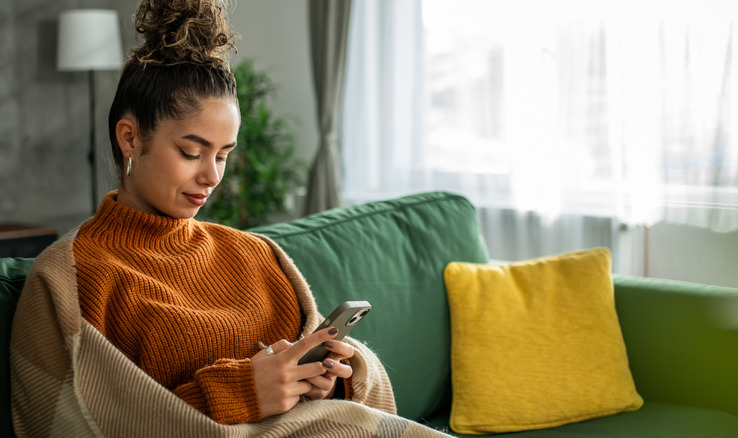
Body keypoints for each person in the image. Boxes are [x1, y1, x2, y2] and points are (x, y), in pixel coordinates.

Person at [10, 1, 447, 436]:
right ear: (130, 137)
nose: (211, 175)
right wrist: (240, 392)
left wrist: (332, 380)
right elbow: (75, 425)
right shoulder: (69, 279)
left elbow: (349, 381)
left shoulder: (257, 255)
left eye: (223, 155)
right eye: (192, 152)